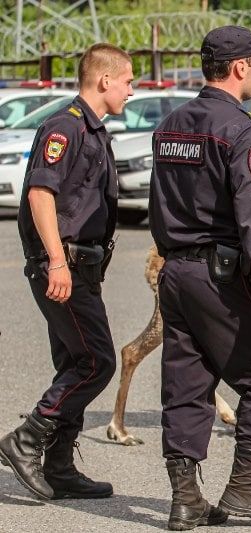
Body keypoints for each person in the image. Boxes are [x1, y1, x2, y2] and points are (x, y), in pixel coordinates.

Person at [148, 25, 251, 531]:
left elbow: (157, 205)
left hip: (176, 271)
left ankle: (185, 498)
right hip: (223, 276)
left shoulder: (170, 124)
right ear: (240, 67)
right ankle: (244, 489)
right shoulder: (243, 129)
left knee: (186, 383)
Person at [0, 44, 133, 501]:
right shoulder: (65, 127)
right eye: (128, 81)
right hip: (63, 266)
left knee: (74, 362)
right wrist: (56, 260)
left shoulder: (94, 131)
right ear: (104, 80)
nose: (131, 91)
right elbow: (41, 193)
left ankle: (58, 466)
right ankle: (26, 440)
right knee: (98, 361)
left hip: (82, 266)